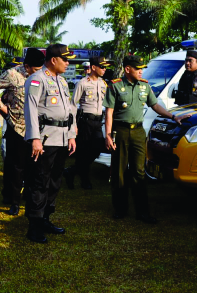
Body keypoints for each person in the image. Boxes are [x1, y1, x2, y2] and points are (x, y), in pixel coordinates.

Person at [104, 55, 189, 223]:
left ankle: (142, 212)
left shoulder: (144, 86)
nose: (141, 71)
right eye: (137, 68)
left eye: (142, 68)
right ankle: (120, 209)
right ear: (127, 69)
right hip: (120, 131)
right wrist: (107, 135)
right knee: (120, 172)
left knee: (139, 172)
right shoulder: (115, 86)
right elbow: (109, 112)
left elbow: (155, 105)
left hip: (138, 132)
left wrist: (173, 117)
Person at [23, 44, 77, 243]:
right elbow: (30, 109)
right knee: (40, 182)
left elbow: (70, 110)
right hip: (45, 139)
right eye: (65, 59)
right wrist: (34, 138)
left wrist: (71, 135)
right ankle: (34, 226)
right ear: (53, 60)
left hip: (62, 137)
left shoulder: (62, 81)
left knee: (55, 181)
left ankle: (46, 218)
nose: (68, 63)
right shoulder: (37, 79)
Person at [0, 50, 45, 216]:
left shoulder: (43, 75)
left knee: (33, 167)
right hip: (17, 127)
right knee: (16, 167)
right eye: (35, 69)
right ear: (26, 66)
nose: (38, 72)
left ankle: (29, 198)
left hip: (37, 129)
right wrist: (3, 108)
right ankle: (14, 201)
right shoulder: (12, 75)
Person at [64, 56, 110, 190]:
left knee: (96, 149)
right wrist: (74, 126)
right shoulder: (83, 83)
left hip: (98, 122)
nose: (104, 69)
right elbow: (73, 105)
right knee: (83, 151)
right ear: (94, 67)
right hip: (85, 121)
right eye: (102, 67)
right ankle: (84, 179)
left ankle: (71, 171)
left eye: (105, 67)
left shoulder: (103, 83)